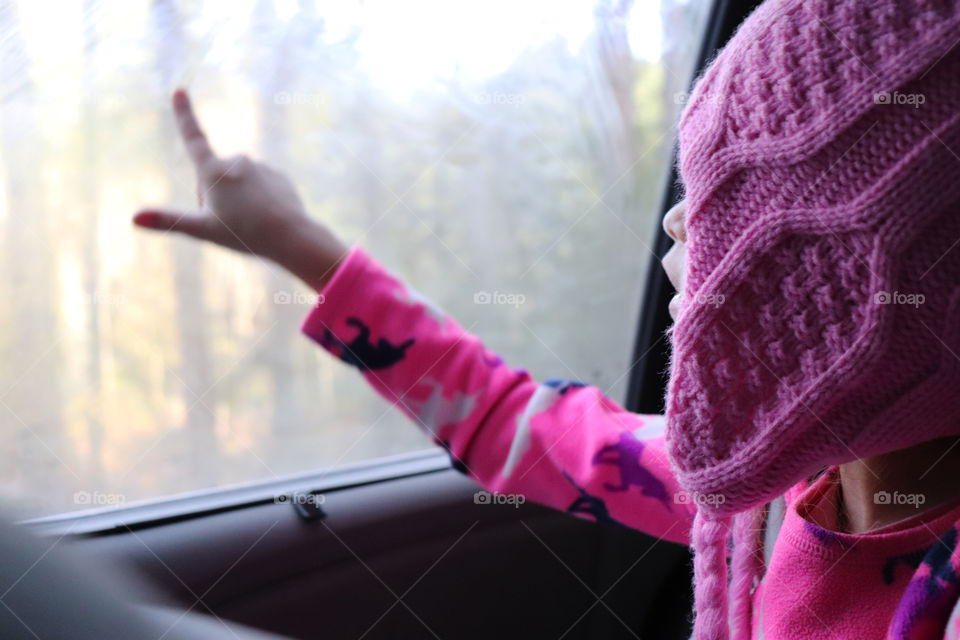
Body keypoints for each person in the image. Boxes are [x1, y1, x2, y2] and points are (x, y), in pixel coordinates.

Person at [133, 0, 960, 637]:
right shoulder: (757, 494)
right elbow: (501, 418)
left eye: (729, 201)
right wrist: (299, 246)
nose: (680, 221)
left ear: (850, 295)